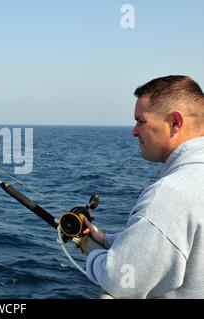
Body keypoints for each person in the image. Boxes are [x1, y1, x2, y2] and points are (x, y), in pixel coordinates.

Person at [77, 75, 204, 298]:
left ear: (175, 122)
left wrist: (89, 248)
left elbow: (121, 281)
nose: (134, 131)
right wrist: (108, 240)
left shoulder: (170, 195)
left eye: (141, 121)